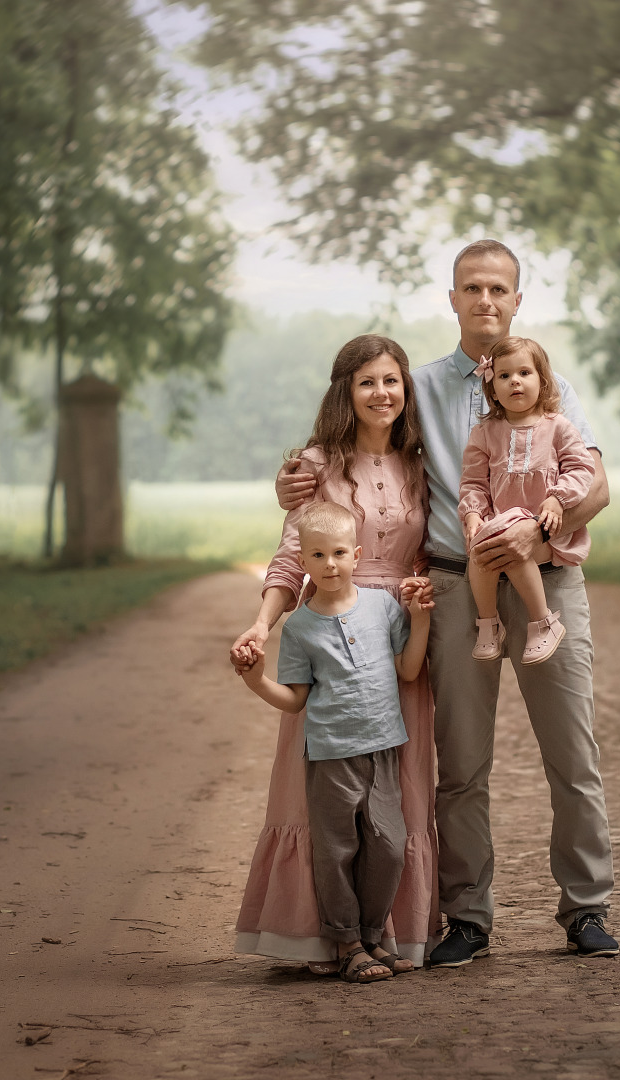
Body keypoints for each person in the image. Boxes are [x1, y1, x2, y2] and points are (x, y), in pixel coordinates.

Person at [276, 240, 620, 967]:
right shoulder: (421, 386)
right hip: (461, 584)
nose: (486, 300)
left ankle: (586, 907)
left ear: (518, 299)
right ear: (454, 298)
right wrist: (297, 479)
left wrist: (541, 526)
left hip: (547, 578)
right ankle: (468, 916)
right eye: (472, 288)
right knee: (461, 765)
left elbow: (597, 484)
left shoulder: (544, 379)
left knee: (573, 755)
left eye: (499, 288)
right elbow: (364, 452)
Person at [231, 333, 441, 976]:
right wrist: (264, 626)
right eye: (367, 382)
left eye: (392, 381)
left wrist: (423, 597)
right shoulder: (318, 465)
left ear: (407, 391)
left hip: (398, 635)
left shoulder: (424, 460)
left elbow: (435, 544)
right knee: (315, 794)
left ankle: (390, 935)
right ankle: (315, 938)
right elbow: (293, 555)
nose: (382, 393)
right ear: (346, 393)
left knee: (395, 797)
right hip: (326, 632)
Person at [234, 500, 434, 983]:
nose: (330, 564)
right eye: (317, 556)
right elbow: (294, 700)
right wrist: (256, 681)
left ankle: (371, 937)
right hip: (329, 756)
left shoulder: (383, 608)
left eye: (339, 553)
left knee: (386, 846)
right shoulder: (300, 628)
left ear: (357, 555)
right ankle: (346, 943)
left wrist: (420, 617)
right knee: (336, 851)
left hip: (384, 749)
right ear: (301, 563)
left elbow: (409, 670)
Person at [459, 336, 597, 666]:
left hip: (543, 529)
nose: (514, 381)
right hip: (500, 523)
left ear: (542, 380)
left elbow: (581, 467)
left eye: (524, 372)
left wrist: (557, 500)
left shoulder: (558, 427)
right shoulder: (485, 433)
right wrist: (474, 515)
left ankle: (543, 622)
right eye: (504, 376)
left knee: (516, 544)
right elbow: (474, 482)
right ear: (492, 389)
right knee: (480, 550)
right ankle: (489, 623)